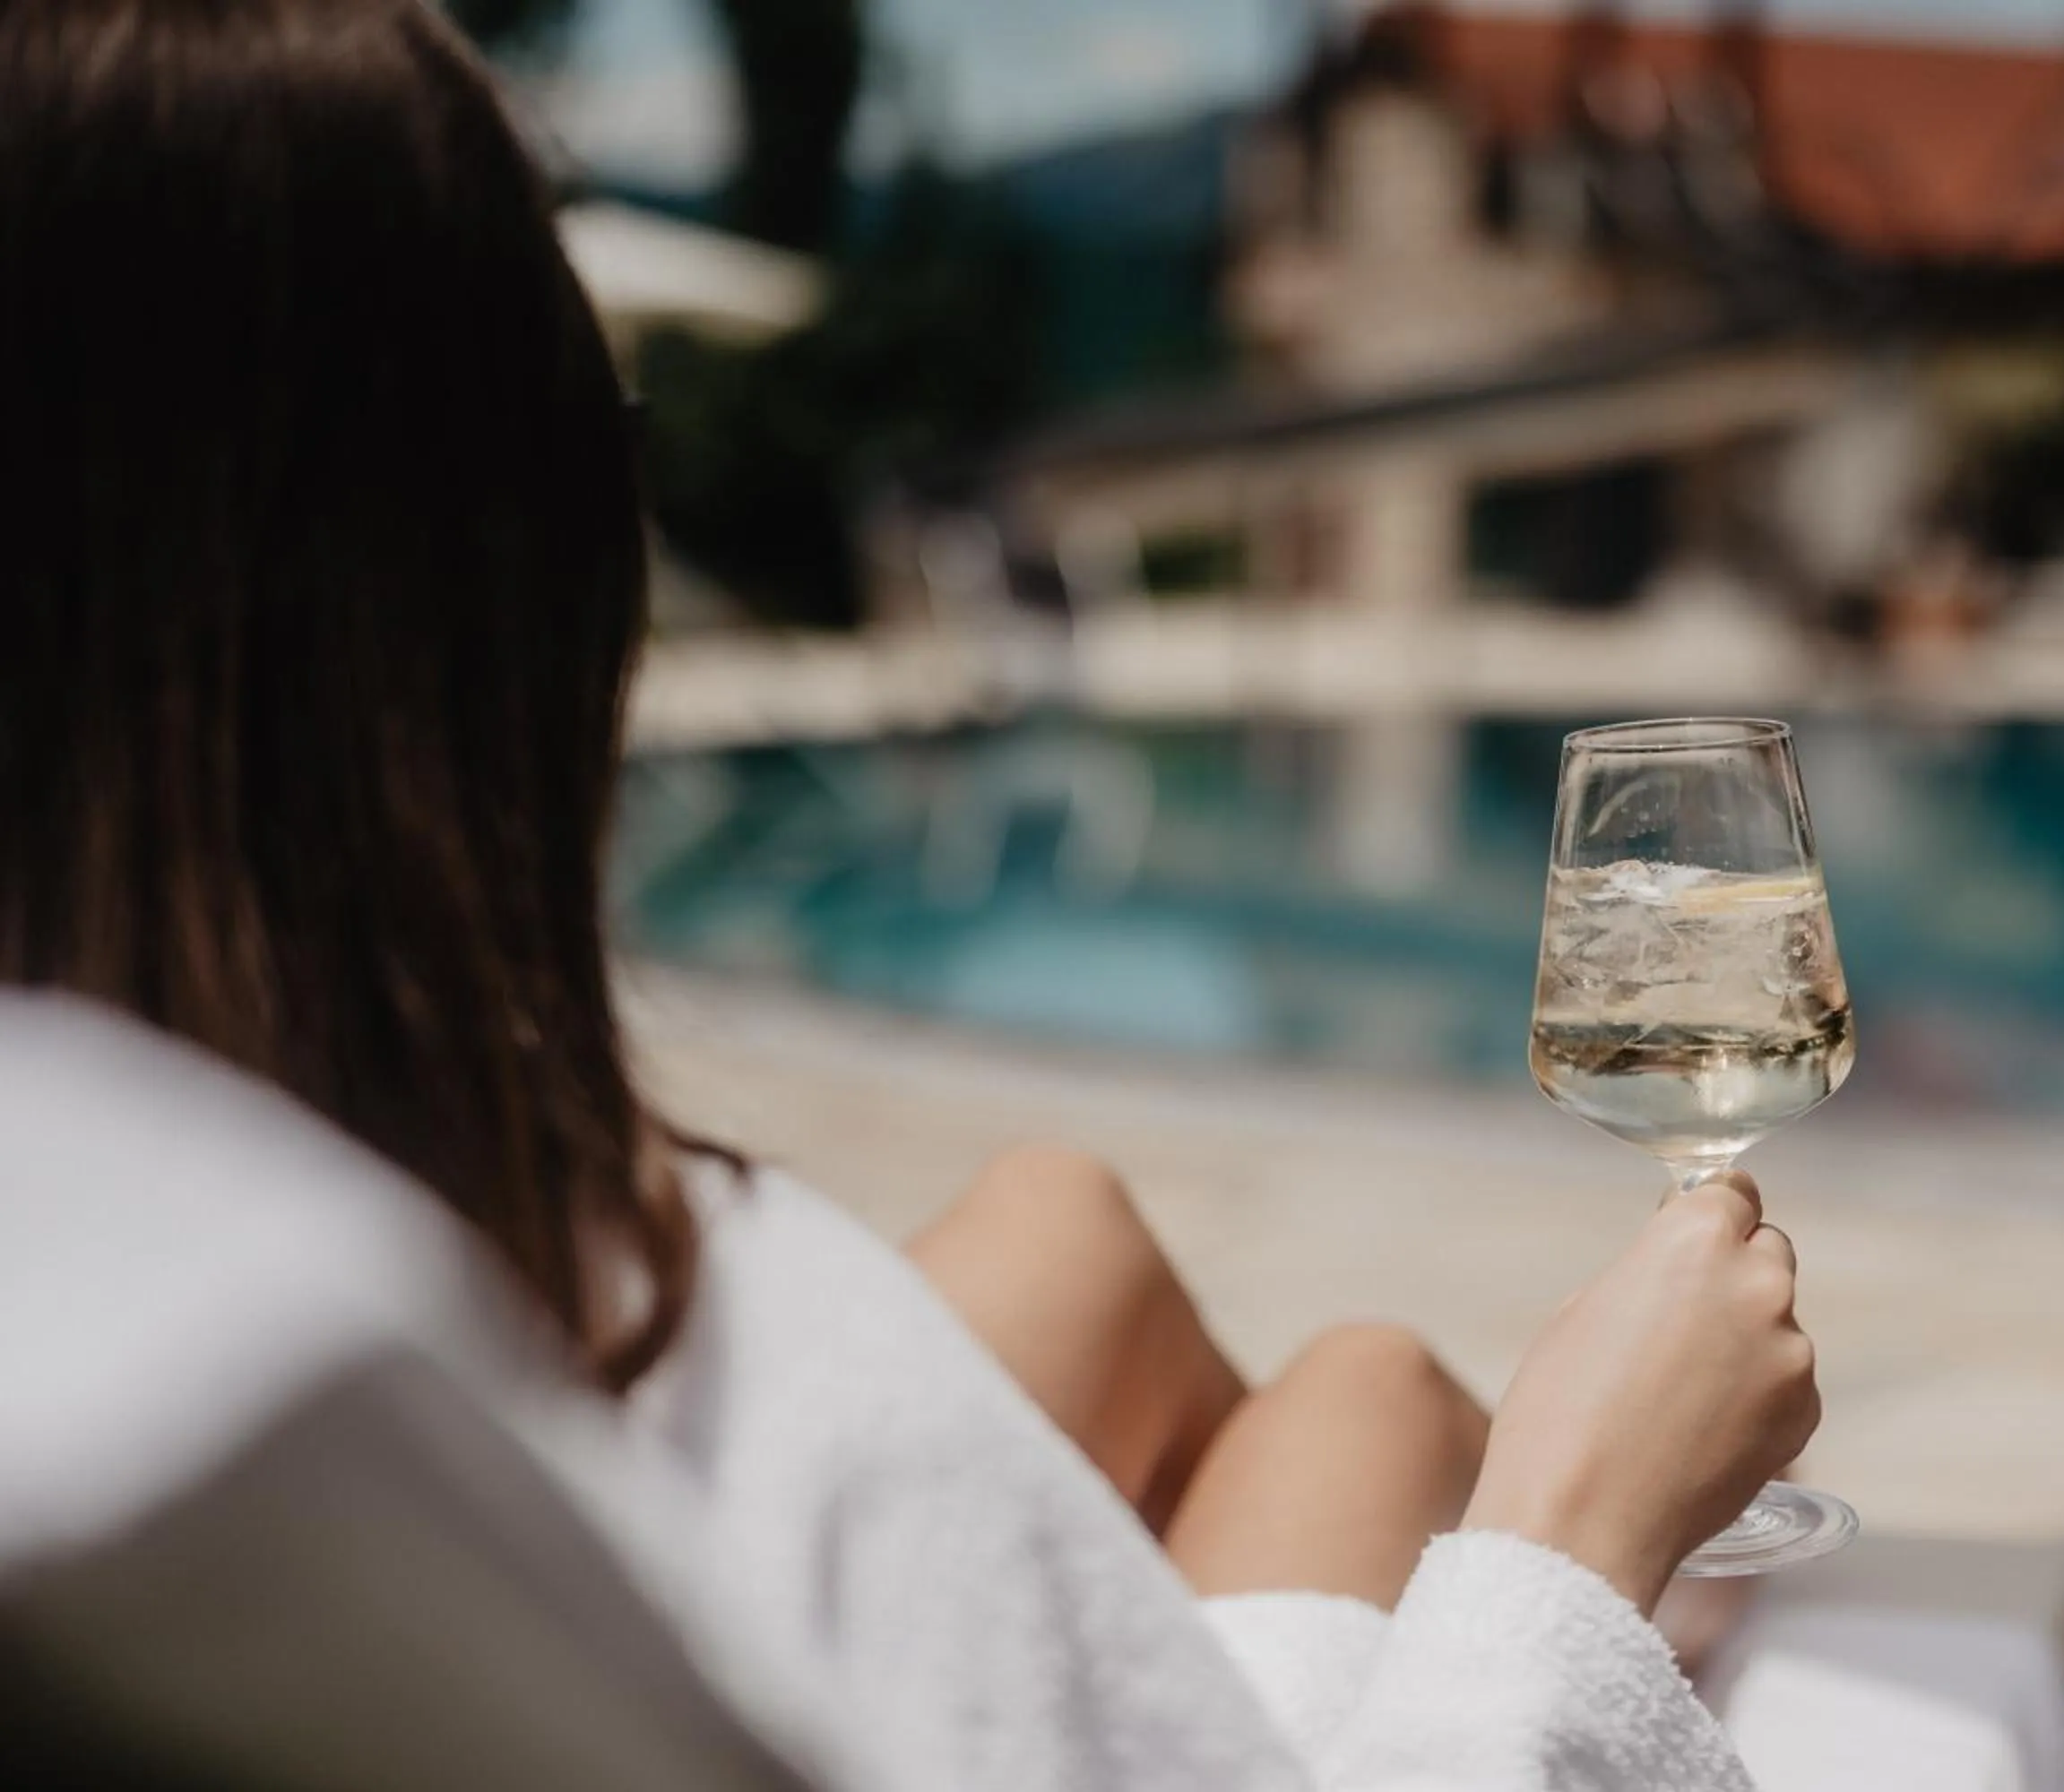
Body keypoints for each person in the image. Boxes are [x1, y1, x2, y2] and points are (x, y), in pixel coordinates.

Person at [0, 2, 1823, 1786]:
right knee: (1370, 1390)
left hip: (670, 1529)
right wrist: (1581, 1538)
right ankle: (1654, 1609)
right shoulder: (313, 1385)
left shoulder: (114, 1236)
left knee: (1068, 1216)